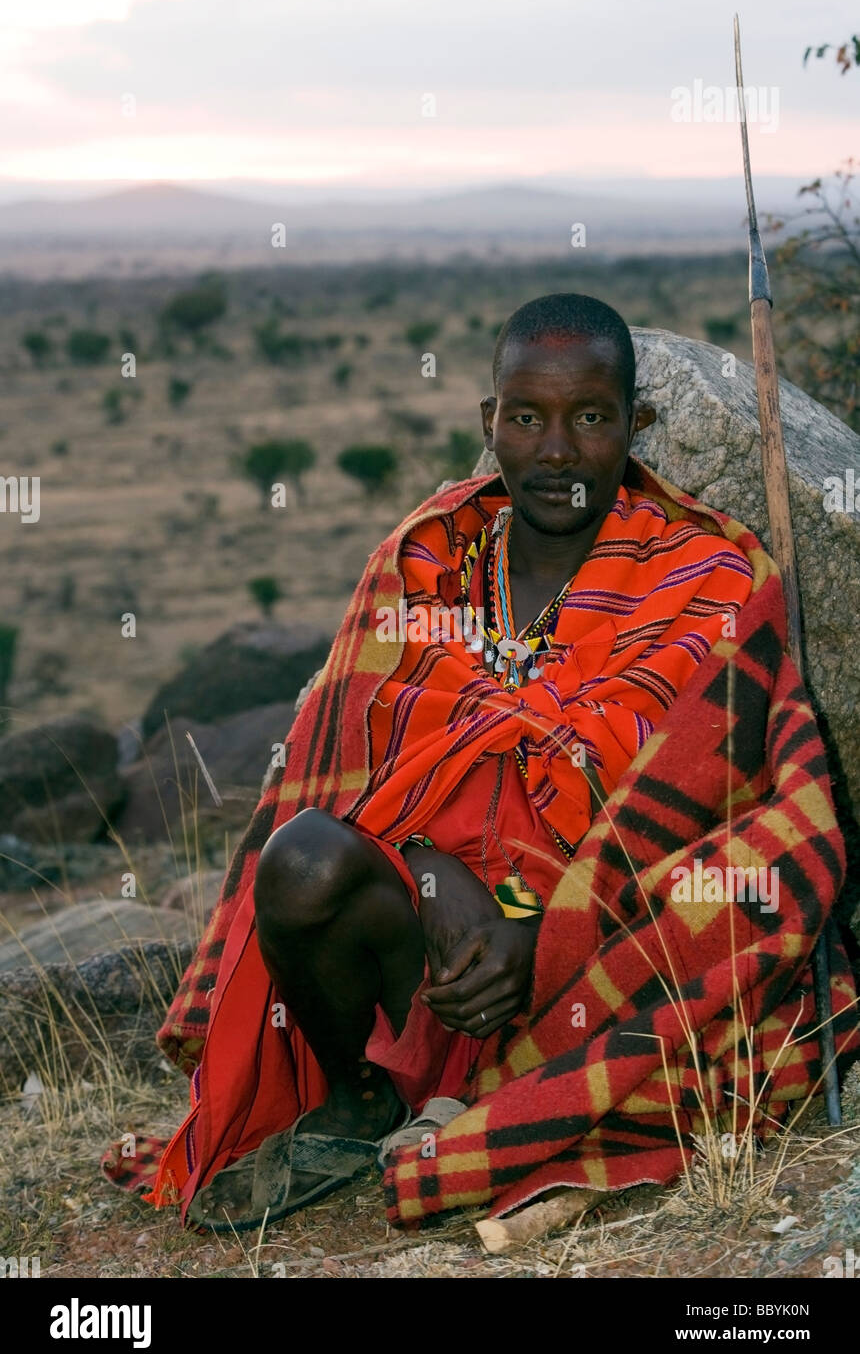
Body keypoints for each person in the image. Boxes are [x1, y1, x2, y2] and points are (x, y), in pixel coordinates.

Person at [105, 293, 858, 1231]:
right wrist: (427, 870)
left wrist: (541, 930)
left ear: (637, 425)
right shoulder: (428, 561)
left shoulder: (707, 576)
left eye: (590, 418)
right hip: (422, 958)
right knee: (299, 862)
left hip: (596, 955)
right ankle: (357, 1104)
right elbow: (345, 766)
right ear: (489, 423)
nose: (556, 450)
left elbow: (715, 809)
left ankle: (494, 1108)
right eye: (527, 417)